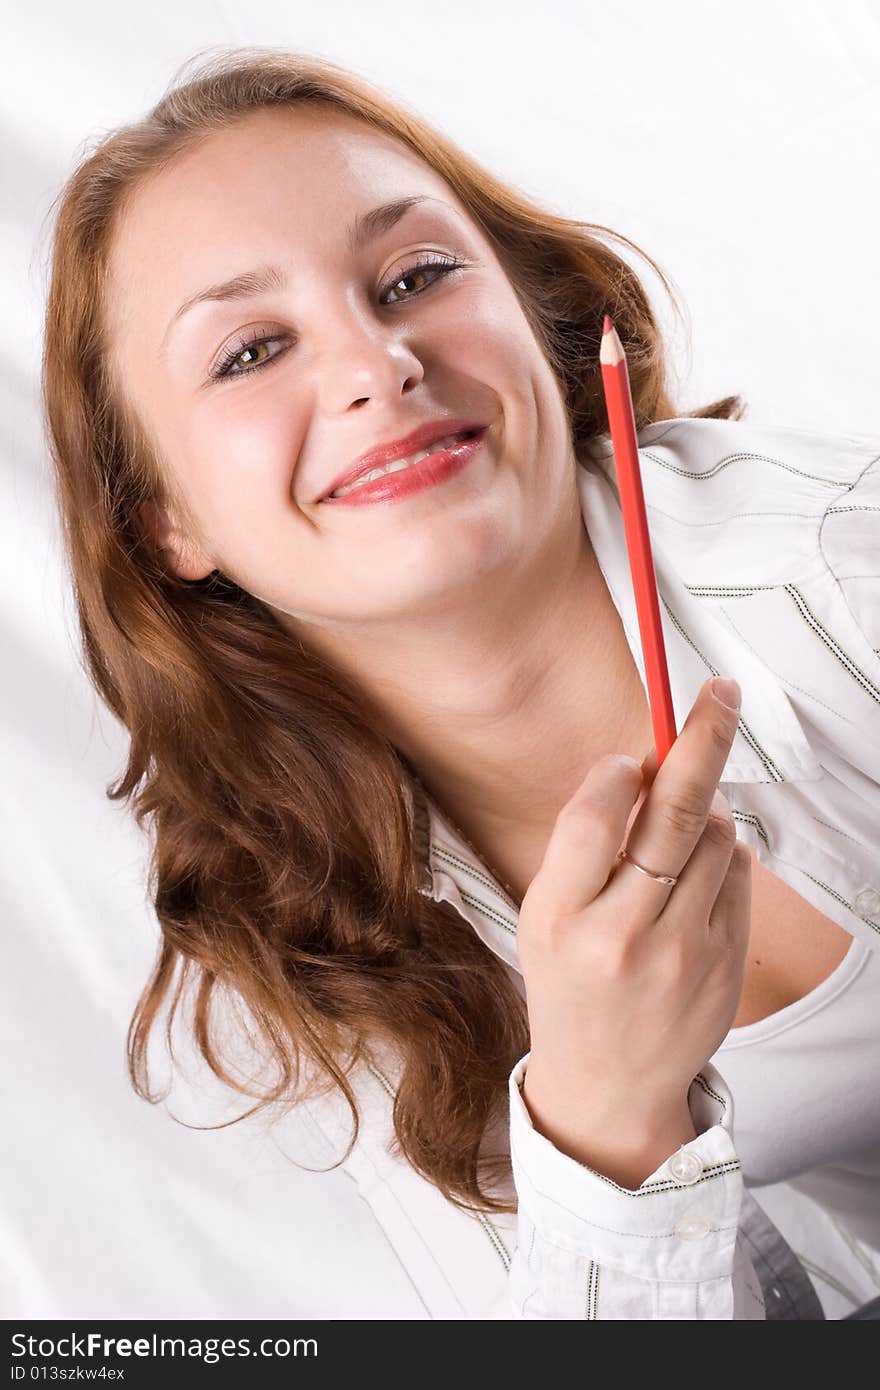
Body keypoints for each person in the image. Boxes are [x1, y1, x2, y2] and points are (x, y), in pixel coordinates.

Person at [40, 46, 880, 1319]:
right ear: (168, 525)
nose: (377, 364)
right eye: (252, 350)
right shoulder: (305, 940)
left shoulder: (837, 563)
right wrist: (606, 1127)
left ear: (543, 331)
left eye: (416, 276)